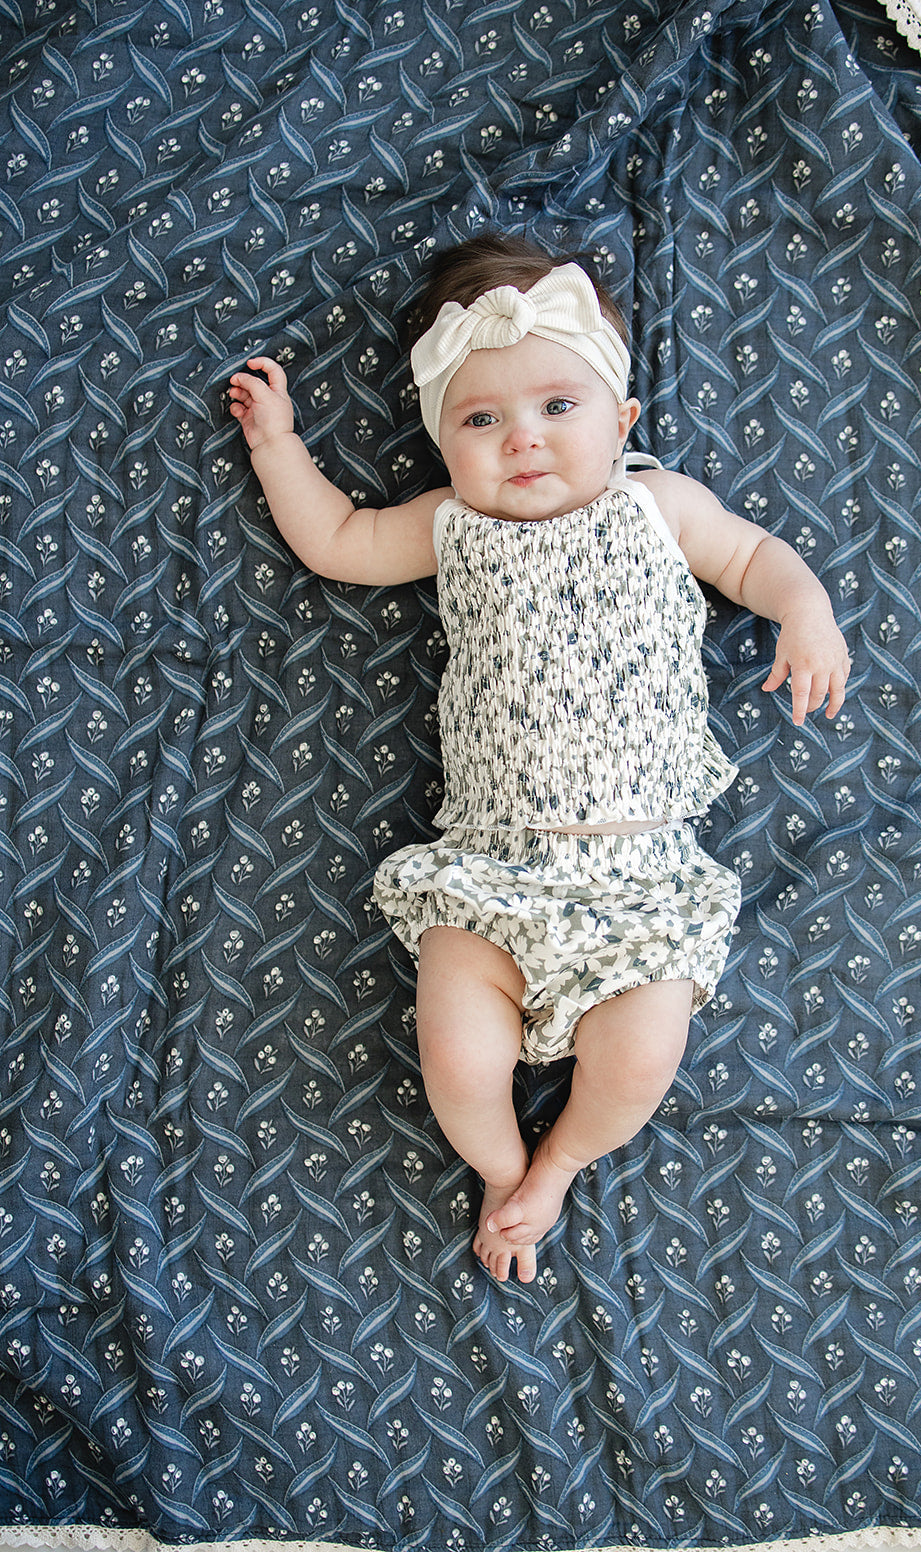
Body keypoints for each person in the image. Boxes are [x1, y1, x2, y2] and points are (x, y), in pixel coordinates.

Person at [228, 233, 851, 1285]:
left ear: (623, 421)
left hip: (642, 875)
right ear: (442, 444)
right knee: (456, 1055)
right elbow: (337, 540)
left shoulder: (660, 505)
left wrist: (805, 610)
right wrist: (278, 446)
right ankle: (503, 1165)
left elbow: (752, 556)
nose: (522, 438)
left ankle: (559, 1161)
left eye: (558, 406)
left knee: (640, 1058)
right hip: (490, 867)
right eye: (480, 420)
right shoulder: (450, 522)